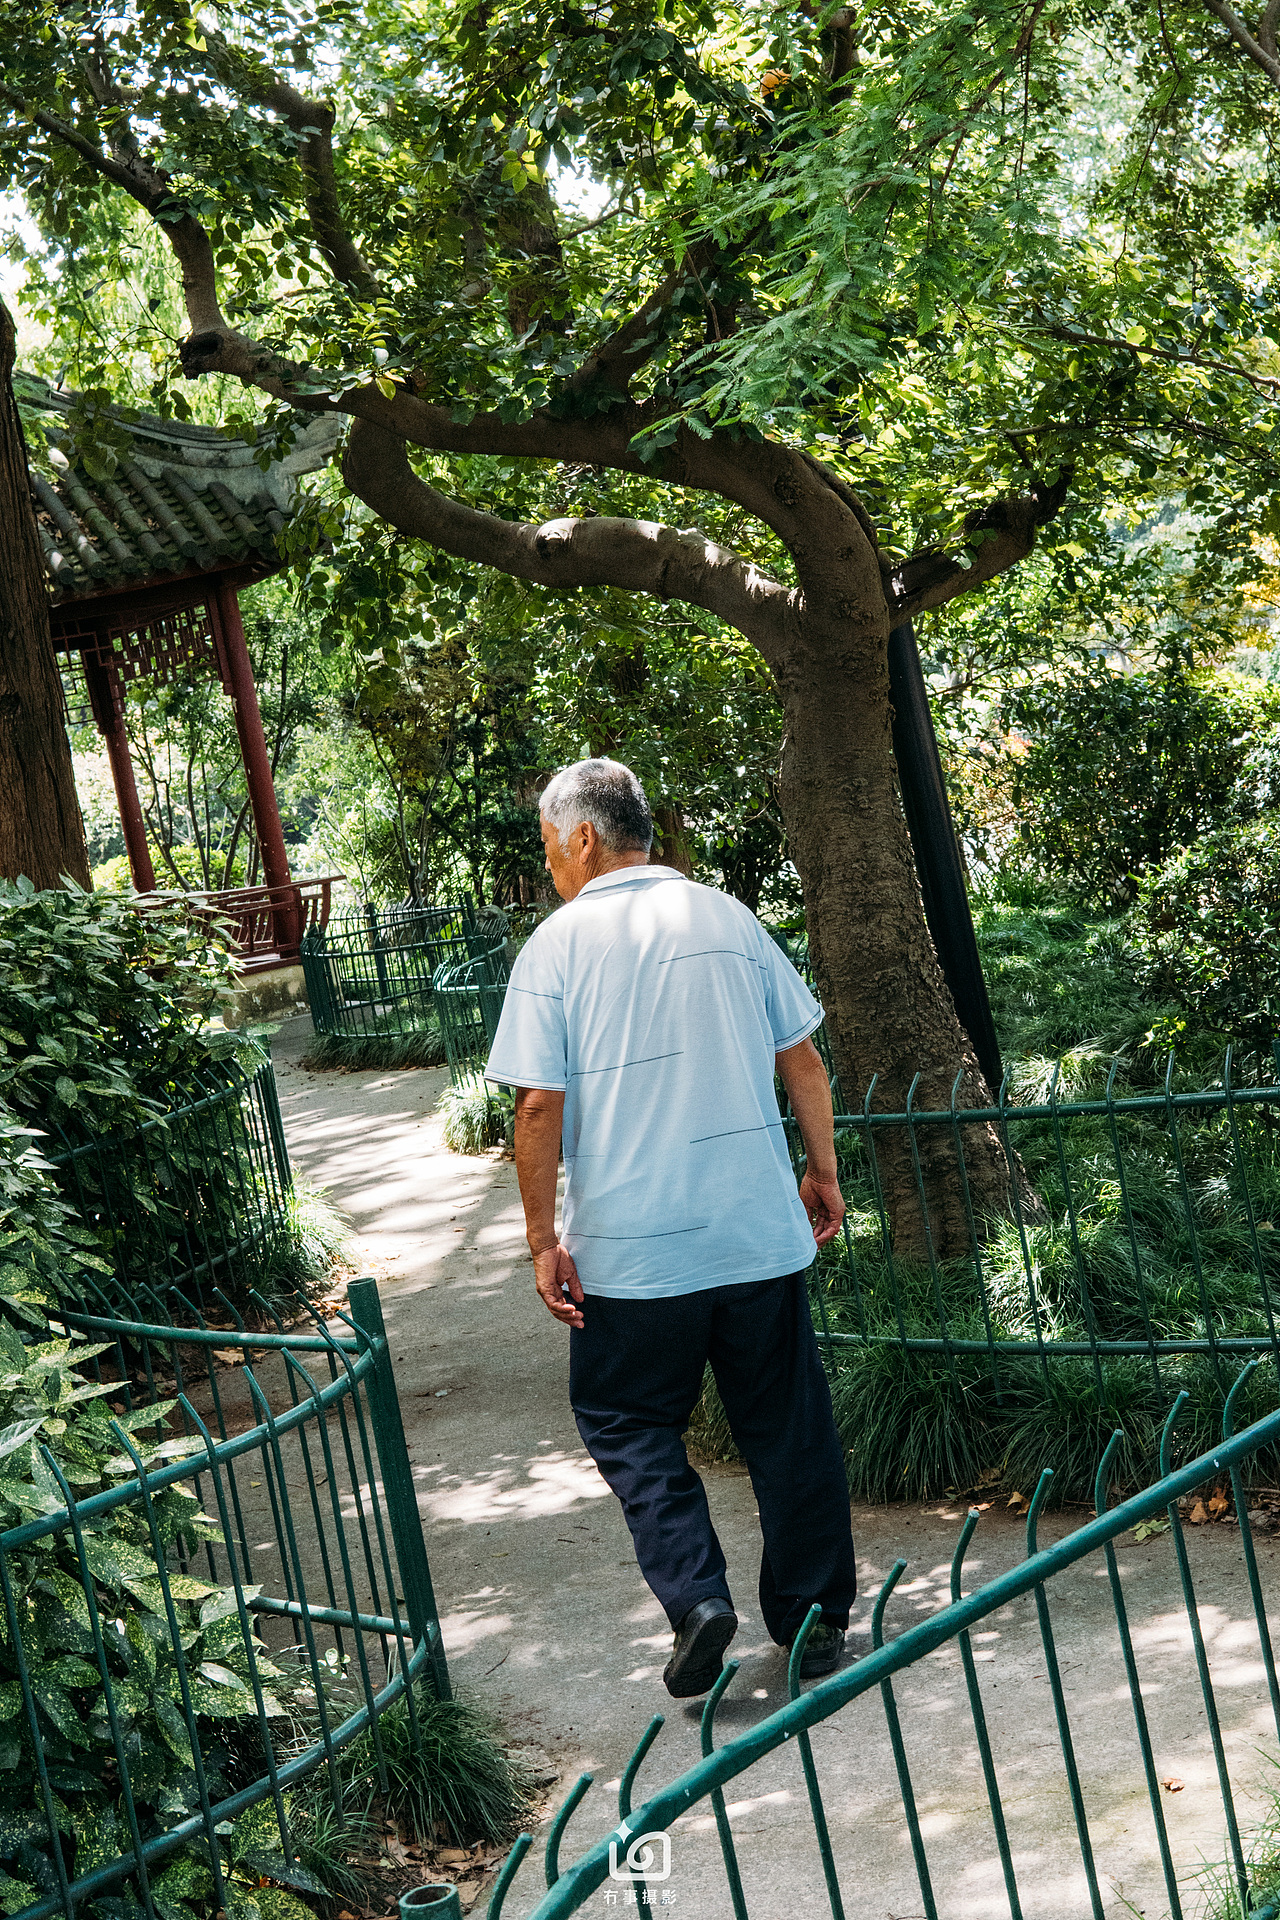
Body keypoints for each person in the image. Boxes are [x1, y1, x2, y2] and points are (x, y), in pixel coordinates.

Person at [483, 756, 857, 1697]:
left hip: (634, 1256)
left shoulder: (557, 945)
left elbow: (537, 1108)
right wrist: (821, 1172)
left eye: (548, 849)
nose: (552, 868)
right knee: (788, 1426)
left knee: (624, 1417)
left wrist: (541, 1242)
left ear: (580, 838)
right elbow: (802, 1060)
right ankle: (812, 1622)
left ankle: (696, 1599)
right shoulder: (729, 918)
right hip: (752, 1236)